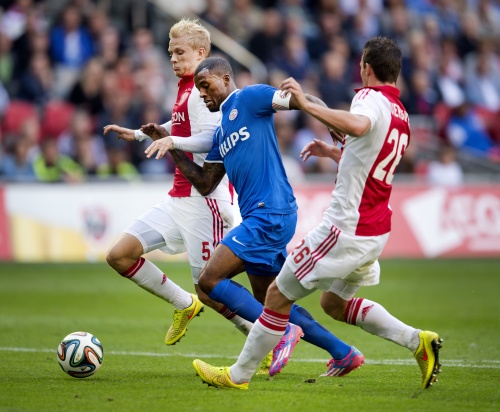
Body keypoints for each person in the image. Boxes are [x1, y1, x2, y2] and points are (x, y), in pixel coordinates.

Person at [188, 37, 443, 391]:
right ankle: (414, 342)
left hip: (345, 226)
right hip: (375, 228)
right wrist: (337, 153)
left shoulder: (368, 98)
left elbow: (359, 126)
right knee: (334, 304)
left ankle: (237, 376)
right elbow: (372, 158)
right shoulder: (400, 113)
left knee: (275, 296)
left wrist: (308, 104)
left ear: (366, 68)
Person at [145, 56, 362, 378]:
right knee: (271, 299)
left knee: (208, 281)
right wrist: (169, 143)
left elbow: (303, 100)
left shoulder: (249, 98)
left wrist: (329, 119)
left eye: (206, 85)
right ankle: (343, 352)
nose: (202, 94)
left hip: (269, 212)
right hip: (264, 216)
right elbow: (205, 183)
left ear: (225, 78)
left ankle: (282, 332)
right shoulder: (222, 133)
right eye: (198, 89)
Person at [102, 19, 254, 353]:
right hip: (179, 197)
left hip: (206, 201)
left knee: (211, 289)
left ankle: (263, 336)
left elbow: (211, 138)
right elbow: (183, 123)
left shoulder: (205, 89)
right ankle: (184, 304)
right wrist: (139, 134)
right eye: (171, 53)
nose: (173, 59)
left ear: (201, 53)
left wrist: (172, 142)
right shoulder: (188, 86)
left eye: (180, 52)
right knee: (119, 255)